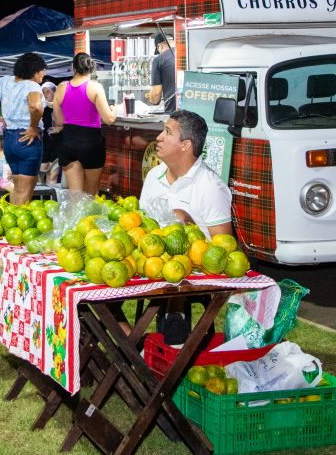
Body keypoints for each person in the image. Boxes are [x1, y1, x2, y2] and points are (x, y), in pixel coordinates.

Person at [139, 109, 233, 344]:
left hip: (186, 272)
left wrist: (187, 225)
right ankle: (132, 344)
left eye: (167, 132)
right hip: (146, 260)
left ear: (185, 145)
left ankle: (173, 322)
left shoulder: (210, 187)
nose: (159, 137)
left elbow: (224, 249)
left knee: (178, 225)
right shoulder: (154, 176)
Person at [0, 53, 47, 205]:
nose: (43, 74)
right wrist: (33, 126)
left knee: (18, 188)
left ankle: (10, 223)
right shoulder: (32, 86)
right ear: (34, 70)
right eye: (42, 70)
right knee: (26, 192)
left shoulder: (5, 82)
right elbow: (36, 107)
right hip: (28, 139)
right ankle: (16, 226)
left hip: (9, 140)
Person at [52, 53, 116, 195]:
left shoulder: (61, 88)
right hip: (91, 142)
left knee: (76, 196)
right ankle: (89, 218)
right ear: (91, 69)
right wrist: (114, 109)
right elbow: (109, 119)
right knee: (90, 194)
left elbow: (59, 121)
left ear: (73, 68)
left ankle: (75, 218)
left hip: (69, 141)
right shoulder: (95, 87)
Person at [147, 32, 176, 114]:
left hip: (173, 112)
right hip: (192, 110)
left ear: (160, 46)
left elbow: (156, 95)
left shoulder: (159, 60)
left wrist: (152, 100)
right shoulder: (186, 55)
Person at [39, 81, 61, 185]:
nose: (45, 95)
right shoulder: (42, 109)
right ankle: (39, 198)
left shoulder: (62, 107)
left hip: (57, 145)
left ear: (54, 92)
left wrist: (60, 128)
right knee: (40, 174)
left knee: (52, 175)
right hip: (44, 144)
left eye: (47, 92)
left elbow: (68, 123)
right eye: (43, 92)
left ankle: (50, 200)